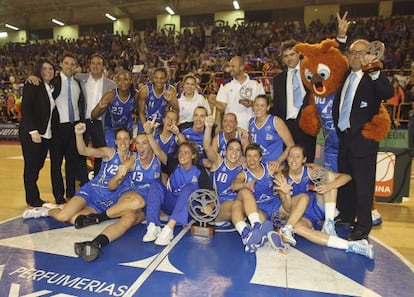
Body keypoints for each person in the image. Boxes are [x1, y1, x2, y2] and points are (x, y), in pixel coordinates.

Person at [333, 16, 394, 241]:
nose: (355, 56)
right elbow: (335, 57)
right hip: (345, 138)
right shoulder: (345, 75)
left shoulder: (372, 77)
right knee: (346, 182)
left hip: (364, 142)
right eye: (352, 52)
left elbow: (387, 93)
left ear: (369, 55)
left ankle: (363, 226)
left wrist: (375, 69)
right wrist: (341, 36)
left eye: (361, 53)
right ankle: (348, 217)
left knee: (364, 187)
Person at [269, 146, 374, 259]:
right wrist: (286, 194)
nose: (294, 160)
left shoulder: (310, 171)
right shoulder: (281, 177)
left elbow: (346, 177)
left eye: (298, 156)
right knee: (299, 229)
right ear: (287, 159)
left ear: (304, 159)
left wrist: (329, 186)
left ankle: (329, 223)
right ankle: (353, 246)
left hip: (315, 206)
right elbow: (288, 208)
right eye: (291, 156)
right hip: (297, 214)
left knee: (328, 177)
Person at [73, 132, 161, 262]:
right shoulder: (132, 159)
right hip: (132, 197)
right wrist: (119, 176)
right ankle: (98, 218)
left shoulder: (158, 159)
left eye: (145, 143)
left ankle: (95, 243)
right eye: (138, 143)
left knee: (129, 220)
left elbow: (164, 184)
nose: (140, 147)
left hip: (149, 204)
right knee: (138, 201)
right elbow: (111, 186)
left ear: (151, 145)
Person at [142, 117, 213, 246]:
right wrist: (148, 134)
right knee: (156, 183)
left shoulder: (200, 171)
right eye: (180, 152)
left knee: (189, 187)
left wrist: (210, 207)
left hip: (190, 208)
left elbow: (211, 195)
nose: (182, 155)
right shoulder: (174, 164)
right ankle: (153, 226)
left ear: (193, 156)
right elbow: (158, 152)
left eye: (186, 153)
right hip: (172, 204)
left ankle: (169, 228)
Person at [231, 143, 308, 252]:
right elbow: (234, 185)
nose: (252, 160)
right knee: (265, 224)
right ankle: (264, 234)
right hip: (258, 209)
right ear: (245, 158)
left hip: (275, 205)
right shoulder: (243, 174)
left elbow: (291, 167)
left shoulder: (270, 168)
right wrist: (245, 185)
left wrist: (311, 166)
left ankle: (284, 230)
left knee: (303, 198)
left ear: (260, 158)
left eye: (255, 156)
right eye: (249, 156)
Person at [271, 40, 317, 163]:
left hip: (306, 124)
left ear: (299, 54)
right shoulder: (278, 80)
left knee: (307, 161)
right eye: (286, 56)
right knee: (289, 161)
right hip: (287, 125)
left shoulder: (310, 73)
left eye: (292, 54)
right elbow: (277, 106)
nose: (289, 58)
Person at [19, 59, 56, 207]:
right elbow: (26, 108)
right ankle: (32, 199)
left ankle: (33, 197)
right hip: (32, 134)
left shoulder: (50, 87)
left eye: (51, 69)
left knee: (37, 166)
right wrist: (33, 131)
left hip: (45, 135)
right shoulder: (33, 83)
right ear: (39, 70)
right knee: (31, 168)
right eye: (45, 68)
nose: (48, 71)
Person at [50, 53, 86, 203]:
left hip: (74, 127)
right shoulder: (53, 81)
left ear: (76, 66)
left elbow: (80, 105)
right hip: (58, 128)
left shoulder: (77, 83)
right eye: (67, 63)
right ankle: (58, 195)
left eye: (72, 64)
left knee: (72, 162)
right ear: (61, 64)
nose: (70, 66)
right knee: (56, 163)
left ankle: (71, 192)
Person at [77, 53, 117, 175]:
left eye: (99, 63)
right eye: (93, 63)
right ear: (89, 65)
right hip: (83, 121)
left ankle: (98, 177)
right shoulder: (79, 78)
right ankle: (82, 179)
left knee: (100, 151)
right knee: (80, 151)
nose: (95, 66)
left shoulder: (111, 84)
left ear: (104, 67)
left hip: (100, 122)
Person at [208, 56, 265, 130]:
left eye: (233, 66)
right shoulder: (225, 85)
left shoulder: (256, 83)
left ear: (242, 67)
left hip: (253, 126)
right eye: (230, 66)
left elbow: (263, 105)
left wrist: (252, 104)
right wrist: (215, 102)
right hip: (232, 128)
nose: (230, 69)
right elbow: (223, 107)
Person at [91, 70, 137, 147]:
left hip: (127, 129)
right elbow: (93, 116)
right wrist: (99, 107)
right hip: (111, 129)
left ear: (131, 81)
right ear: (116, 82)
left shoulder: (136, 95)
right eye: (119, 80)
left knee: (124, 153)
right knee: (112, 153)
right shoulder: (110, 95)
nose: (122, 82)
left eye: (125, 79)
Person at [249, 94, 294, 169]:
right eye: (256, 105)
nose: (258, 108)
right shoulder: (251, 122)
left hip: (275, 166)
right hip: (258, 166)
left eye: (262, 105)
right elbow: (251, 145)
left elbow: (291, 145)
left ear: (268, 107)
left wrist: (279, 161)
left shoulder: (276, 121)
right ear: (253, 107)